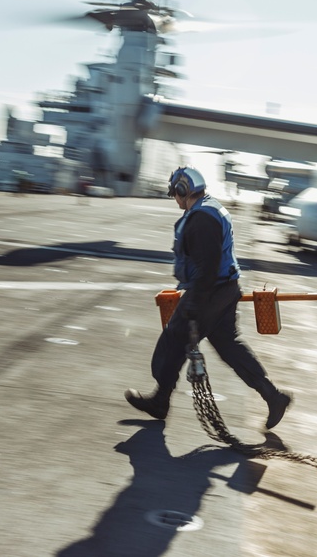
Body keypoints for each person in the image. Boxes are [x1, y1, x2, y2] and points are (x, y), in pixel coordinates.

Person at [125, 167, 292, 430]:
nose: (175, 200)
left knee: (173, 339)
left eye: (175, 194)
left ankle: (160, 400)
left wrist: (193, 303)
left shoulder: (201, 219)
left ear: (183, 190)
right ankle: (273, 396)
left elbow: (208, 267)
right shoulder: (210, 208)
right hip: (225, 289)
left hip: (211, 291)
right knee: (229, 347)